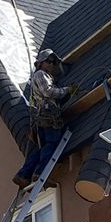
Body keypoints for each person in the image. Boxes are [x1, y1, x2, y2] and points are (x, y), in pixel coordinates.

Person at [12, 49, 75, 189]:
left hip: (43, 116)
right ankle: (40, 173)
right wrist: (67, 90)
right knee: (52, 144)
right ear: (40, 63)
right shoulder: (40, 74)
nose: (52, 64)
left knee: (44, 148)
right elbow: (48, 92)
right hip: (46, 115)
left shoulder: (48, 77)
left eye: (54, 62)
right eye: (49, 61)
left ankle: (24, 175)